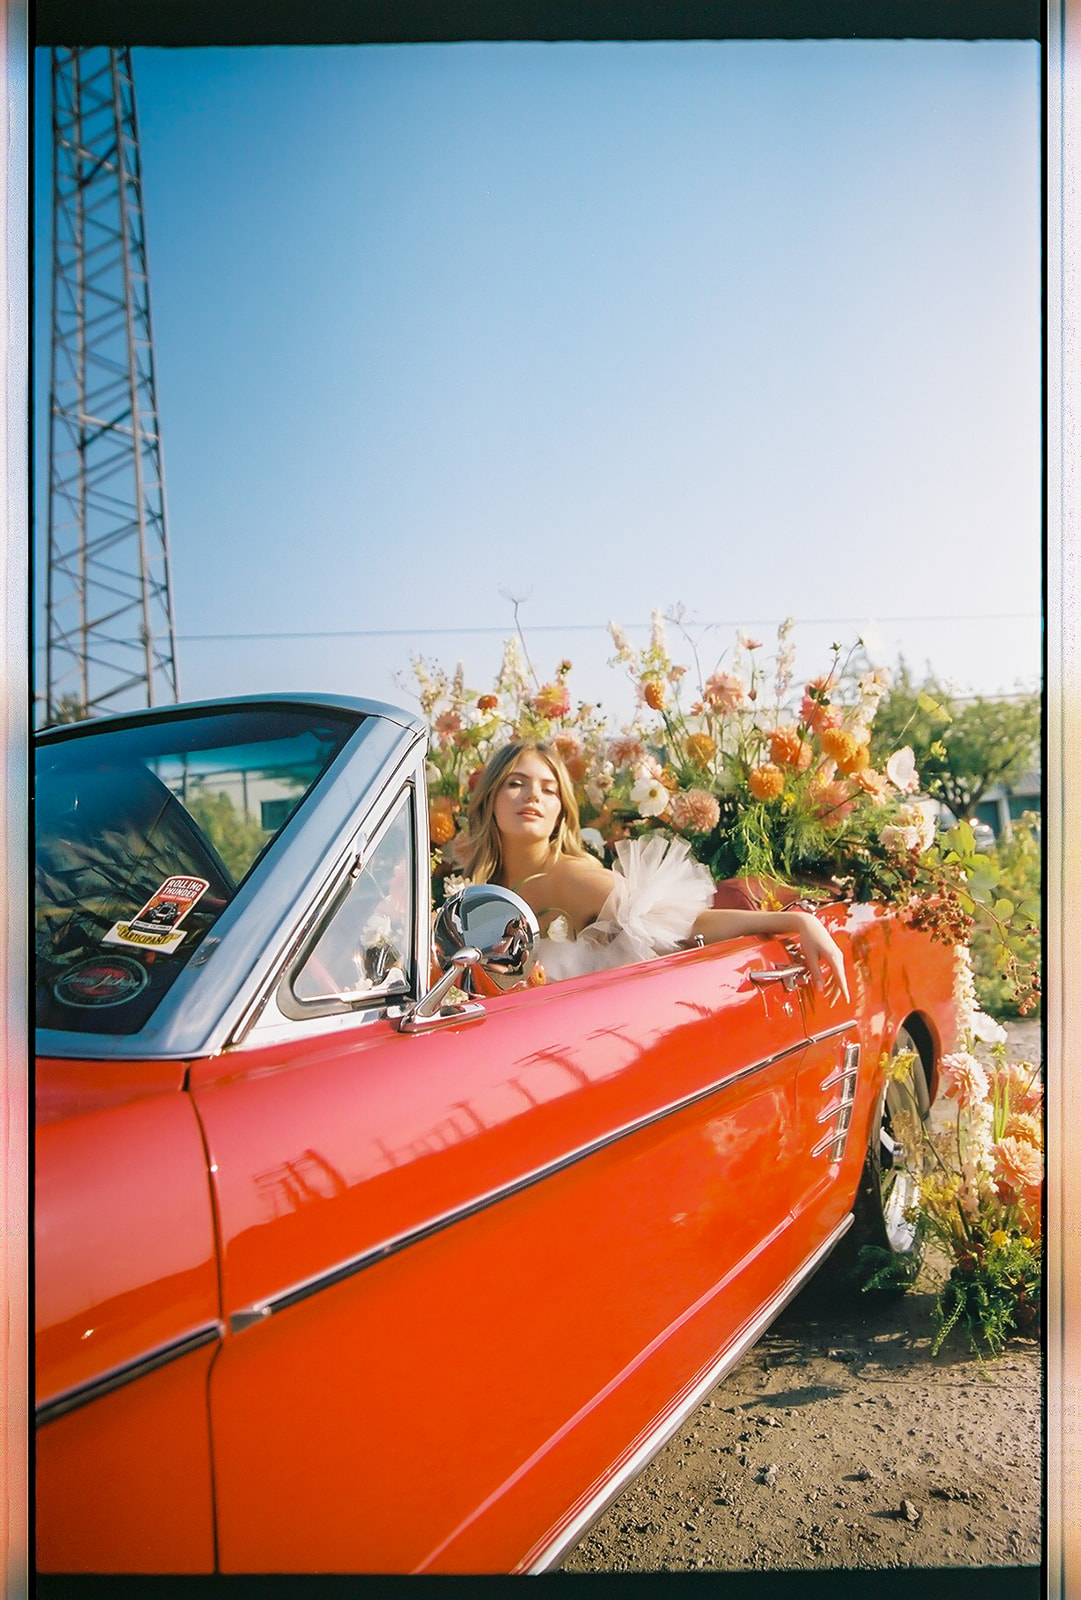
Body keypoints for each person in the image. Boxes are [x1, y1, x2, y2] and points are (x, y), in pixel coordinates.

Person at [455, 739, 850, 996]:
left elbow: (685, 928)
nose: (532, 797)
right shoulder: (474, 893)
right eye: (515, 784)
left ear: (561, 811)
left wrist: (796, 923)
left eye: (549, 789)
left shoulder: (574, 878)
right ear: (490, 797)